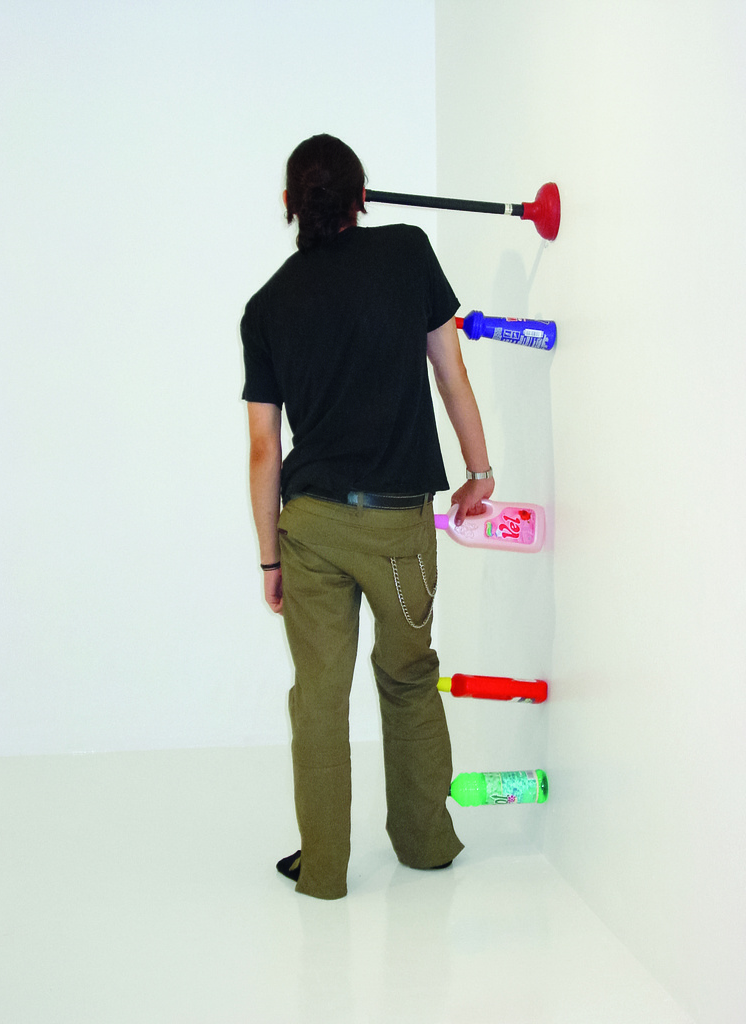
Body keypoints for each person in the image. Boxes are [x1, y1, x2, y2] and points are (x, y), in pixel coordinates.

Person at [240, 134, 494, 900]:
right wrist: (479, 473)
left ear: (290, 204)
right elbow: (450, 373)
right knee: (409, 678)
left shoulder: (266, 306)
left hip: (310, 528)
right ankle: (425, 845)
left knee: (318, 698)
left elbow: (263, 449)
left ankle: (322, 871)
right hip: (396, 529)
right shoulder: (407, 252)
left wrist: (270, 558)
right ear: (362, 196)